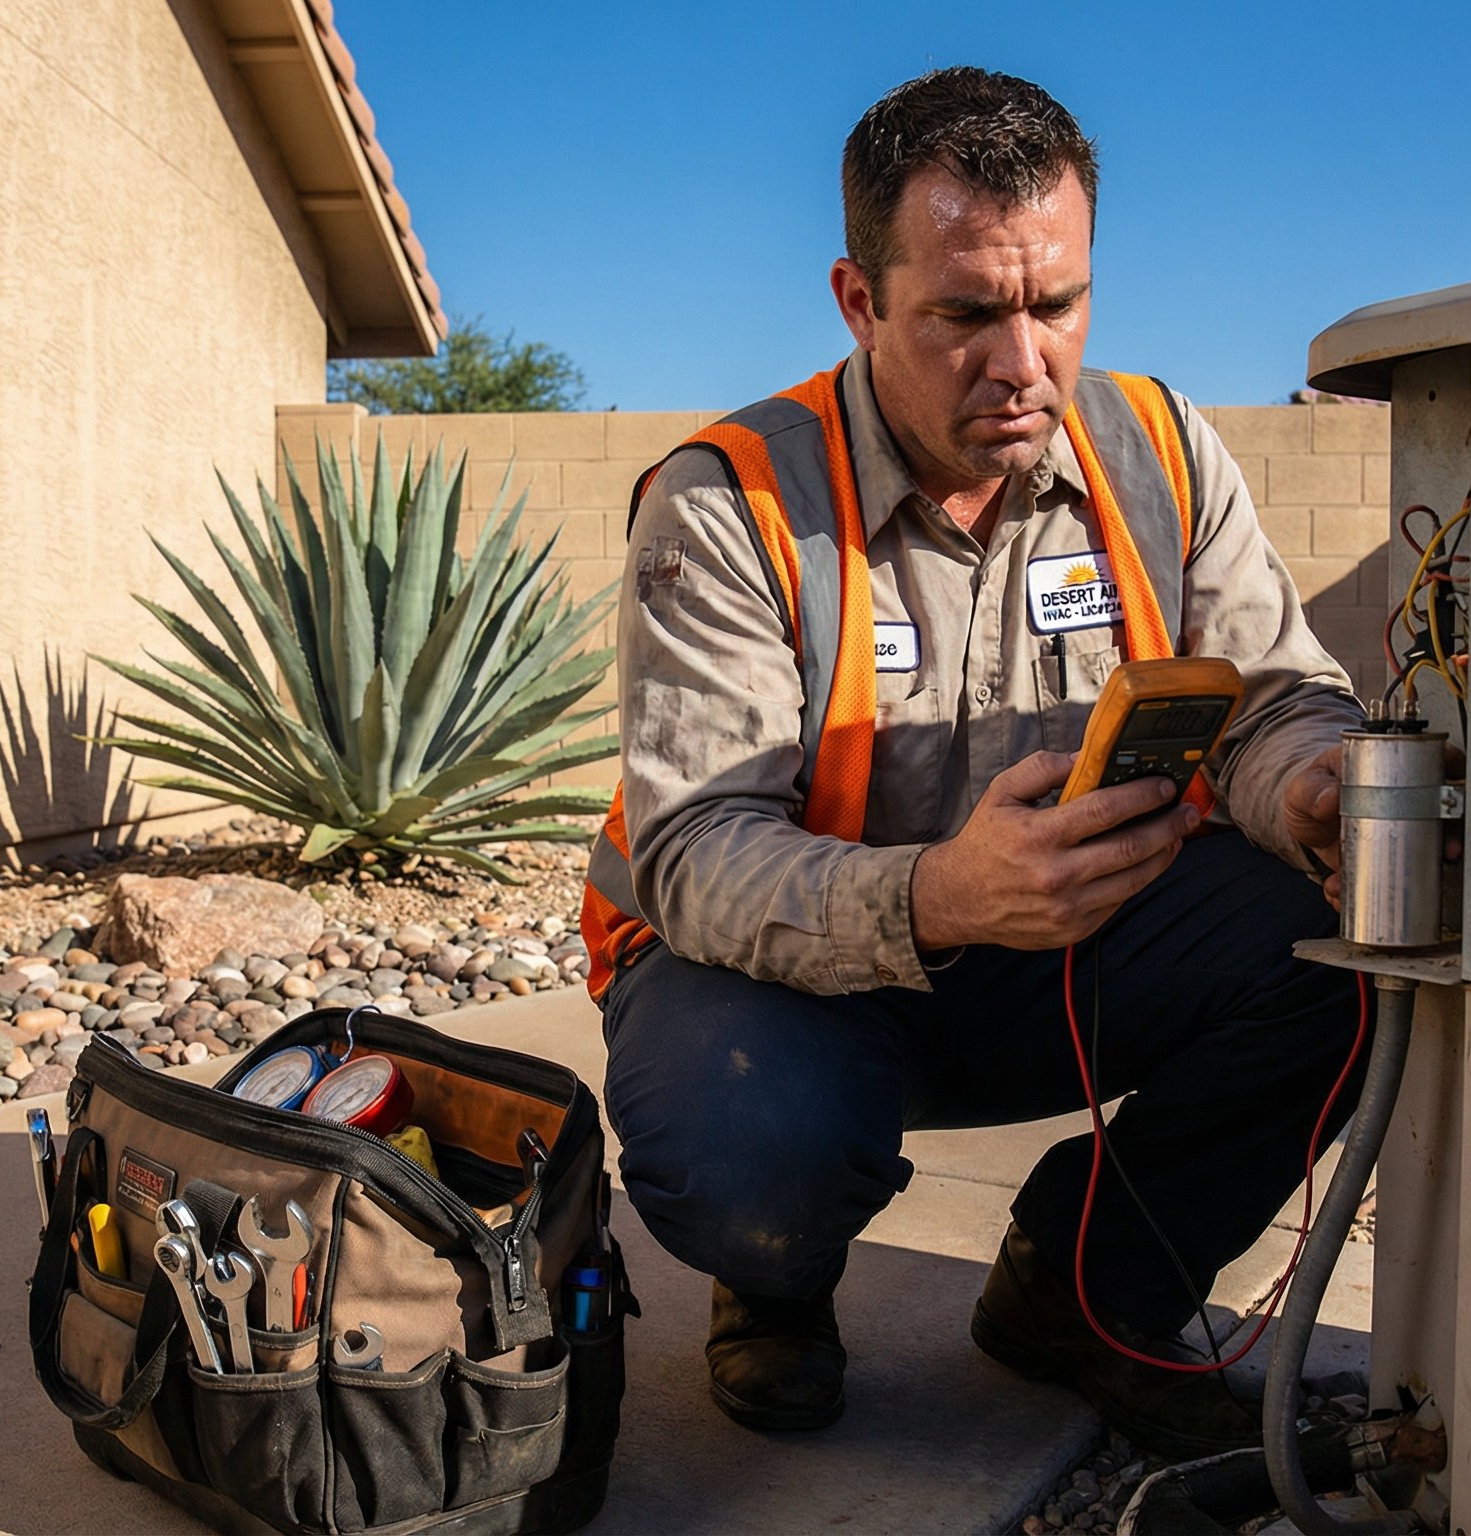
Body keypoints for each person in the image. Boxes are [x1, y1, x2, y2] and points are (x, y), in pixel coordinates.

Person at [577, 66, 1368, 1456]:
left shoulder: (1164, 451)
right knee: (750, 1152)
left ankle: (1082, 1289)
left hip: (1058, 956)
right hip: (781, 975)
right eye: (964, 315)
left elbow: (1274, 698)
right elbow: (695, 851)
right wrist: (937, 896)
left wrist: (1306, 784)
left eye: (1055, 304)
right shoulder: (727, 503)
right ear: (859, 300)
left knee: (1351, 945)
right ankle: (776, 1282)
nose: (1023, 364)